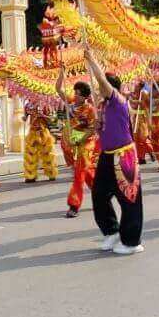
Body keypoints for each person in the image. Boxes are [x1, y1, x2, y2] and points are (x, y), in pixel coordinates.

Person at [85, 45, 144, 254]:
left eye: (103, 86)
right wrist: (98, 126)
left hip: (124, 155)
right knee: (99, 194)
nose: (99, 89)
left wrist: (91, 60)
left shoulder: (118, 100)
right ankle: (111, 231)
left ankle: (131, 242)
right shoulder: (103, 106)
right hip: (107, 155)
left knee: (129, 198)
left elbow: (102, 81)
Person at [59, 77, 99, 217]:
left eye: (78, 94)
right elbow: (58, 89)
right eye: (75, 93)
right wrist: (61, 73)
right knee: (87, 173)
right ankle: (100, 194)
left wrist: (80, 139)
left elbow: (92, 129)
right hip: (73, 142)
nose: (75, 96)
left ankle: (74, 205)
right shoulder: (71, 102)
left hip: (86, 143)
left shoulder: (90, 110)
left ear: (85, 97)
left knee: (79, 173)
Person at [22, 100, 58, 183]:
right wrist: (24, 118)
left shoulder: (45, 105)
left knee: (48, 154)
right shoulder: (27, 105)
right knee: (30, 155)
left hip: (43, 132)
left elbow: (52, 120)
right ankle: (30, 176)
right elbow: (25, 117)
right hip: (32, 132)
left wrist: (43, 116)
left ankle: (51, 173)